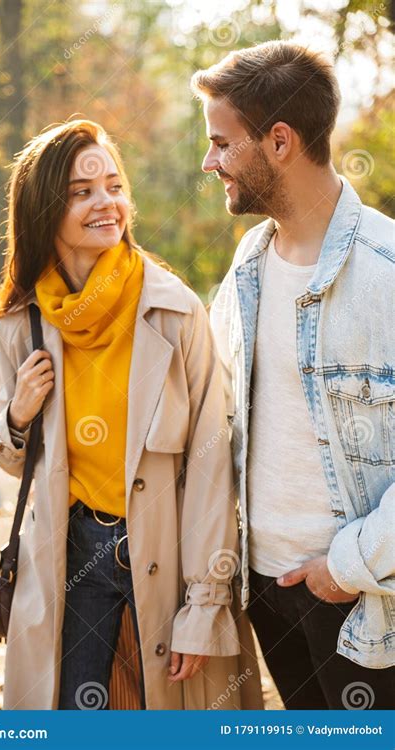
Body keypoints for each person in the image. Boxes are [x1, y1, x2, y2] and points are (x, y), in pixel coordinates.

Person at [0, 118, 262, 710]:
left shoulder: (175, 314)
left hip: (167, 561)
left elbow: (210, 470)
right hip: (67, 561)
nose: (107, 203)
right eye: (82, 191)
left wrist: (203, 606)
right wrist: (17, 416)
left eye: (115, 186)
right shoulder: (26, 321)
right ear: (46, 207)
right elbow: (11, 455)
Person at [191, 41, 394, 709]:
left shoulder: (385, 272)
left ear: (280, 141)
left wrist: (345, 568)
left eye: (222, 143)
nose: (209, 160)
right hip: (269, 594)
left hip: (367, 602)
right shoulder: (249, 265)